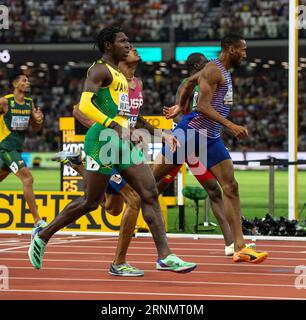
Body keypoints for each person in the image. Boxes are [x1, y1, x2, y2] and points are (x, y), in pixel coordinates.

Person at [28, 26, 196, 274]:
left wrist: (162, 134)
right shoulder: (99, 70)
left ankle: (165, 256)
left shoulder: (121, 77)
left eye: (128, 40)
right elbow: (84, 105)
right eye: (123, 41)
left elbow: (129, 118)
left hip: (121, 143)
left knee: (148, 192)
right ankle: (43, 234)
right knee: (91, 201)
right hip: (102, 142)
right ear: (108, 45)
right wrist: (113, 125)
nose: (128, 44)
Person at [54, 45, 177, 276]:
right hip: (106, 145)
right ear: (120, 60)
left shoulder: (136, 84)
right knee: (135, 199)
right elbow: (78, 110)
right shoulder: (110, 77)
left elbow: (134, 118)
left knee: (111, 208)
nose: (134, 50)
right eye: (129, 48)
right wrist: (107, 129)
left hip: (124, 147)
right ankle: (119, 262)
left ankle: (77, 165)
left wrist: (159, 134)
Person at [154, 34, 268, 263]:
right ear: (229, 49)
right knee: (147, 183)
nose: (245, 54)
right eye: (242, 50)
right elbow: (203, 106)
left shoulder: (221, 70)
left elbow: (188, 83)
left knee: (230, 186)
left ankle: (239, 246)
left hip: (210, 137)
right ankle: (114, 195)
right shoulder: (213, 70)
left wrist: (179, 106)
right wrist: (230, 125)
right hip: (190, 134)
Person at [156, 52, 235, 255]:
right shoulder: (189, 82)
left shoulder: (213, 79)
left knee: (214, 190)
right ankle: (131, 213)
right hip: (185, 141)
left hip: (200, 145)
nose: (210, 63)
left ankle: (230, 243)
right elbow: (180, 109)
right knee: (154, 186)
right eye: (205, 61)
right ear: (197, 65)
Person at [0, 74, 46, 228]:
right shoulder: (5, 102)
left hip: (16, 148)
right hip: (5, 148)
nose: (28, 83)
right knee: (28, 179)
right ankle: (37, 220)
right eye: (24, 80)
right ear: (15, 84)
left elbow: (35, 127)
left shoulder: (29, 103)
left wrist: (39, 120)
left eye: (28, 80)